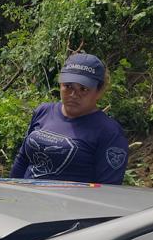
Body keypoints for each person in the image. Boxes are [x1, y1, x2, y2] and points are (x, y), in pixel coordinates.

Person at [10, 53, 129, 184]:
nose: (73, 94)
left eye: (83, 89)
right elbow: (22, 161)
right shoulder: (43, 111)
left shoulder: (109, 132)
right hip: (26, 198)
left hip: (69, 203)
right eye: (68, 86)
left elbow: (109, 189)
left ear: (99, 91)